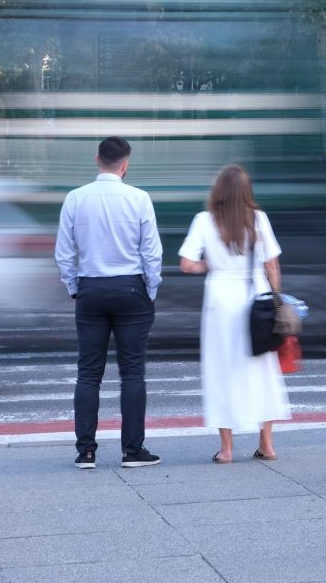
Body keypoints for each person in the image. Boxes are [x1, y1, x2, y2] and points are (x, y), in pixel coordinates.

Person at [54, 136, 163, 470]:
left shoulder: (75, 198)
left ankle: (86, 452)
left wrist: (75, 287)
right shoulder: (139, 198)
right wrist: (149, 289)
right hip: (131, 289)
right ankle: (133, 451)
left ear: (97, 158)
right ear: (125, 163)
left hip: (90, 289)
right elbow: (152, 253)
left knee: (88, 373)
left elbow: (63, 252)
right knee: (132, 373)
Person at [178, 164, 291, 463]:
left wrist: (210, 265)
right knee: (262, 369)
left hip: (219, 301)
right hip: (254, 298)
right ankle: (266, 444)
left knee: (221, 371)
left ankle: (227, 449)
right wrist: (275, 299)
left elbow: (187, 264)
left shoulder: (204, 220)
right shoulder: (259, 219)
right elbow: (272, 265)